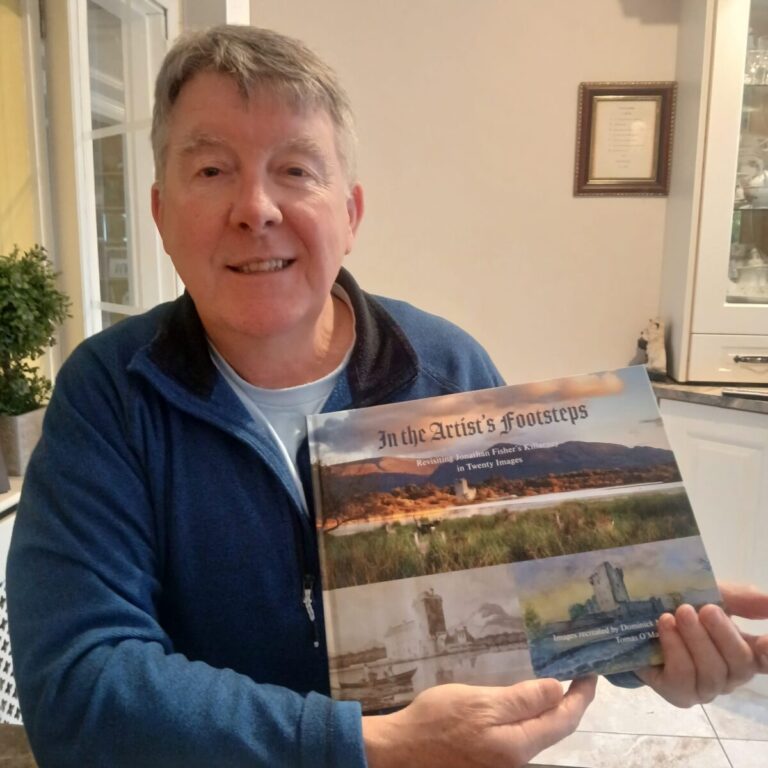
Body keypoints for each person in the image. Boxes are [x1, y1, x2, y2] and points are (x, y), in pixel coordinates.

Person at [6, 25, 768, 768]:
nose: (256, 208)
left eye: (295, 170)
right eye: (211, 170)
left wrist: (654, 642)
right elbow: (78, 691)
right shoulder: (109, 393)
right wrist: (366, 748)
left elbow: (530, 580)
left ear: (351, 215)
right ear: (160, 214)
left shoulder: (445, 366)